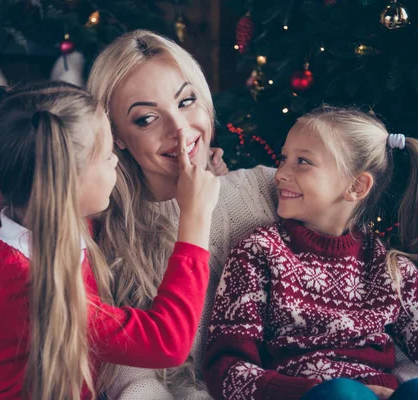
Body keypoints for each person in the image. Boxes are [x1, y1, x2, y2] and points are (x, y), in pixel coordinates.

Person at [203, 106, 418, 400]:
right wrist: (307, 391)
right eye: (284, 158)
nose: (280, 173)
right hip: (309, 394)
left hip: (383, 393)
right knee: (342, 394)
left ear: (356, 186)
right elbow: (227, 369)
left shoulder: (389, 268)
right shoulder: (259, 251)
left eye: (302, 161)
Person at [0, 81, 220, 399]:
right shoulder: (31, 283)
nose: (117, 162)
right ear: (67, 184)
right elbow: (167, 342)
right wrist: (195, 219)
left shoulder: (53, 225)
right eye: (107, 155)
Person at [86, 30, 278, 398]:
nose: (179, 128)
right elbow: (132, 377)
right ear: (117, 136)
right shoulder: (109, 234)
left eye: (186, 101)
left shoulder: (269, 189)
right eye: (146, 119)